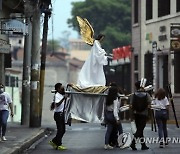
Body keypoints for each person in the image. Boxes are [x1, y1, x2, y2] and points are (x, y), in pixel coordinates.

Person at [130, 81, 151, 150]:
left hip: (136, 114)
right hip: (144, 114)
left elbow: (131, 105)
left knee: (140, 129)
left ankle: (143, 145)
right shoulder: (147, 94)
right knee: (140, 129)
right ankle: (133, 142)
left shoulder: (133, 95)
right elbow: (149, 104)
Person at [49, 83, 67, 150]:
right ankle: (59, 144)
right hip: (58, 115)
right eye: (61, 88)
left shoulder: (61, 95)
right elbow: (57, 104)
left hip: (61, 114)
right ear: (58, 89)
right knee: (60, 130)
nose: (62, 89)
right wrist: (63, 99)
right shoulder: (57, 95)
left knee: (63, 130)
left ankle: (54, 141)